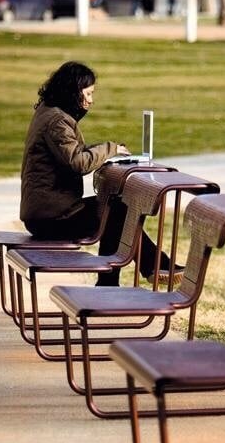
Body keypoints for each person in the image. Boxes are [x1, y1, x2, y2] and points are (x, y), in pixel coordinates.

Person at [20, 61, 181, 286]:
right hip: (51, 219)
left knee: (115, 209)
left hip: (46, 213)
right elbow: (78, 162)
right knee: (118, 211)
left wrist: (106, 152)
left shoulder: (48, 112)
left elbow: (70, 153)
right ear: (72, 92)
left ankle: (136, 273)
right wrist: (110, 148)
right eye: (88, 93)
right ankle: (140, 271)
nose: (91, 100)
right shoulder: (57, 121)